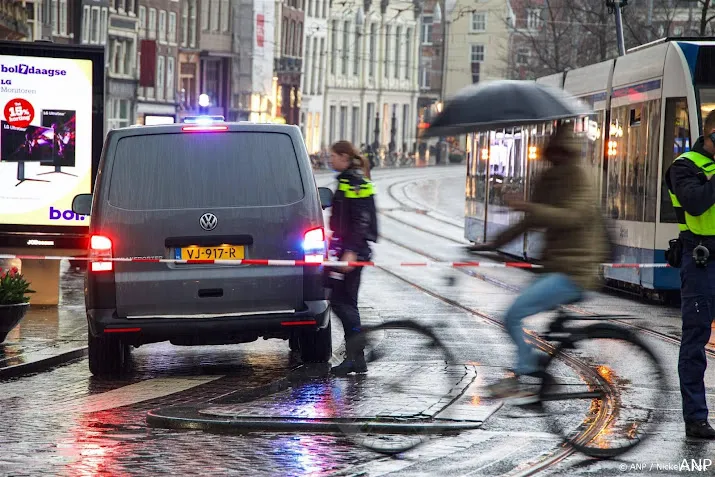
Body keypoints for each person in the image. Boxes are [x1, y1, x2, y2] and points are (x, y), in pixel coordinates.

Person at [468, 125, 610, 404]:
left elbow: (572, 217)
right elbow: (531, 219)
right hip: (557, 267)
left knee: (512, 315)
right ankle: (537, 372)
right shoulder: (550, 176)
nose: (552, 157)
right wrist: (493, 243)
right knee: (515, 317)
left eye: (556, 151)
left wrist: (528, 207)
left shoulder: (580, 176)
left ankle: (525, 377)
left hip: (576, 270)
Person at [664, 109, 715, 439]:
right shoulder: (685, 166)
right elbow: (695, 203)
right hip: (702, 261)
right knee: (696, 339)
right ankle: (696, 418)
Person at [327, 140, 378, 376]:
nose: (330, 160)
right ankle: (357, 359)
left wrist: (351, 250)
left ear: (344, 157)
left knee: (342, 302)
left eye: (333, 156)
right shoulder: (348, 179)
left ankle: (355, 354)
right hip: (344, 249)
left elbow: (361, 220)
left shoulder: (354, 182)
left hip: (351, 251)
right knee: (344, 301)